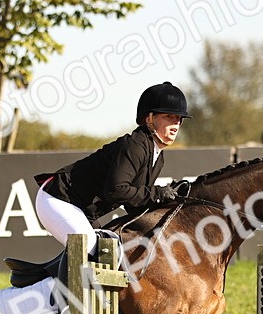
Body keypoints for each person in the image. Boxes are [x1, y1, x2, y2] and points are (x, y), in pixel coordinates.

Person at [34, 81, 189, 256]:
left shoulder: (157, 156)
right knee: (94, 253)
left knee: (108, 254)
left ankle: (42, 283)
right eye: (169, 116)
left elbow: (134, 205)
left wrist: (170, 203)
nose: (176, 124)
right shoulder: (135, 146)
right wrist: (158, 194)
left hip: (80, 209)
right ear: (149, 119)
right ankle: (48, 284)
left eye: (179, 119)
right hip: (59, 199)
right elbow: (116, 191)